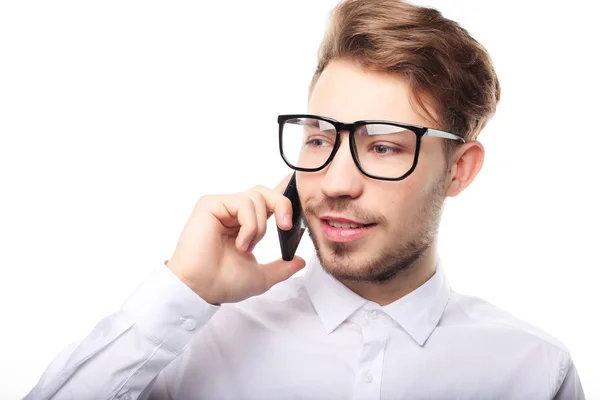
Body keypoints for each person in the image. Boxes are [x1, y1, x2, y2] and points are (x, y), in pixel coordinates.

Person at [25, 0, 585, 399]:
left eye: (384, 147)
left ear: (459, 170)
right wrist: (182, 290)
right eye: (319, 139)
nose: (335, 182)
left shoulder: (534, 371)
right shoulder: (190, 341)